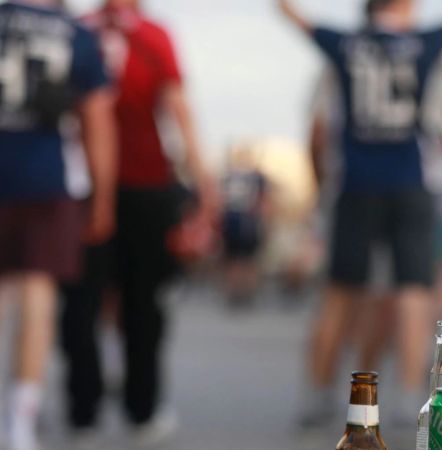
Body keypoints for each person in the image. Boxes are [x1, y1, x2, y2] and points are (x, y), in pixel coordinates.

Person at [277, 0, 442, 425]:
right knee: (413, 292)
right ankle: (410, 397)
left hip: (356, 182)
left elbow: (295, 18)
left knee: (340, 294)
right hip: (411, 182)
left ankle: (316, 396)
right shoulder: (423, 43)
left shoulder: (345, 44)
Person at [61, 1, 218, 446]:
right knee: (143, 304)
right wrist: (204, 180)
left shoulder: (77, 30)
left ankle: (82, 411)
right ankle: (142, 408)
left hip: (81, 184)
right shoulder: (152, 35)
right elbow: (178, 110)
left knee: (80, 302)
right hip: (145, 183)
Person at [0, 1, 115, 448]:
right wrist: (102, 197)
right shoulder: (76, 34)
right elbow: (97, 121)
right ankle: (21, 419)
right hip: (46, 178)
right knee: (37, 292)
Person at [221, 147, 270, 304]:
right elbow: (263, 201)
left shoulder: (229, 176)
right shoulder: (255, 177)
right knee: (245, 259)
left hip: (238, 222)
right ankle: (243, 292)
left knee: (238, 259)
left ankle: (239, 293)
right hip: (245, 222)